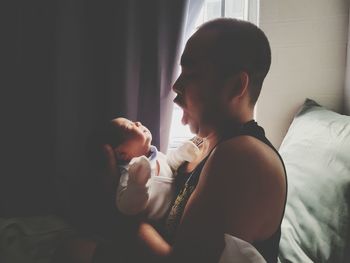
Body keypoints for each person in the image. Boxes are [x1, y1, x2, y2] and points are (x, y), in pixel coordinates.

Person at [60, 18, 287, 263]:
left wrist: (115, 199)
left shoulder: (244, 156)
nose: (176, 86)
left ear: (235, 86)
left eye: (191, 74)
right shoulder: (203, 145)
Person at [98, 117, 199, 220]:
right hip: (160, 228)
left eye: (133, 122)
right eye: (129, 126)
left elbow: (170, 165)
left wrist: (180, 155)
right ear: (122, 153)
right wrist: (137, 185)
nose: (138, 122)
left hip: (181, 212)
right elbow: (125, 207)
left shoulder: (158, 156)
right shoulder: (131, 173)